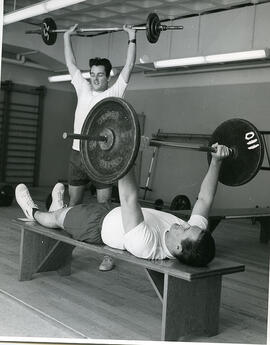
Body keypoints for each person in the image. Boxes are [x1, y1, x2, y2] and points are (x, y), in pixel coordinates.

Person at [15, 143, 229, 267]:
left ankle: (32, 211)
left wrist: (124, 153)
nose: (183, 224)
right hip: (114, 210)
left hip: (95, 225)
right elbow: (204, 199)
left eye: (183, 230)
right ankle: (59, 207)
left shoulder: (147, 245)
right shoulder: (193, 235)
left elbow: (128, 197)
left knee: (54, 220)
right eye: (188, 225)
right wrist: (217, 162)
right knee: (63, 212)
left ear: (178, 247)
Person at [62, 23, 137, 270]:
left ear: (108, 76)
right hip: (77, 155)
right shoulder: (82, 87)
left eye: (100, 75)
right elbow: (71, 64)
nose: (95, 78)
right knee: (73, 204)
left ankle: (108, 254)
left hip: (102, 159)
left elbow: (129, 68)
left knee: (105, 207)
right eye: (92, 74)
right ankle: (65, 247)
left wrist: (132, 38)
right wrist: (66, 36)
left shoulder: (114, 92)